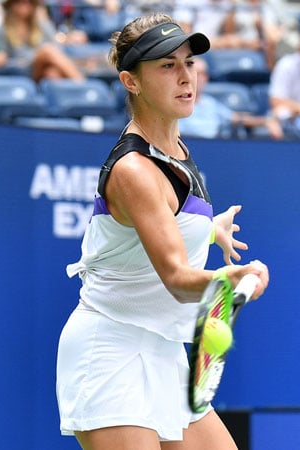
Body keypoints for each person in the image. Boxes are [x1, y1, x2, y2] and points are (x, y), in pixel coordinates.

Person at [56, 12, 270, 450]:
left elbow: (152, 231)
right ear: (130, 82)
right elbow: (176, 277)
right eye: (167, 66)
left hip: (166, 351)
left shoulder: (175, 152)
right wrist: (230, 279)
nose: (185, 76)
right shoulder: (134, 168)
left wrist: (210, 232)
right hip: (111, 350)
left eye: (188, 63)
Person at [179, 57, 283, 139]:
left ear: (206, 78)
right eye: (194, 73)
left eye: (202, 74)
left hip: (211, 150)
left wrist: (265, 121)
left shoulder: (210, 103)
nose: (198, 78)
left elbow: (236, 119)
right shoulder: (176, 103)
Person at [0, 0, 84, 82]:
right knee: (47, 50)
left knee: (52, 73)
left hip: (43, 68)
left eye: (29, 2)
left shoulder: (42, 26)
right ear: (11, 4)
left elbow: (58, 49)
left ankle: (75, 92)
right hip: (22, 70)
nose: (25, 4)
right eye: (19, 1)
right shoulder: (3, 30)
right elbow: (3, 59)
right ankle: (82, 84)